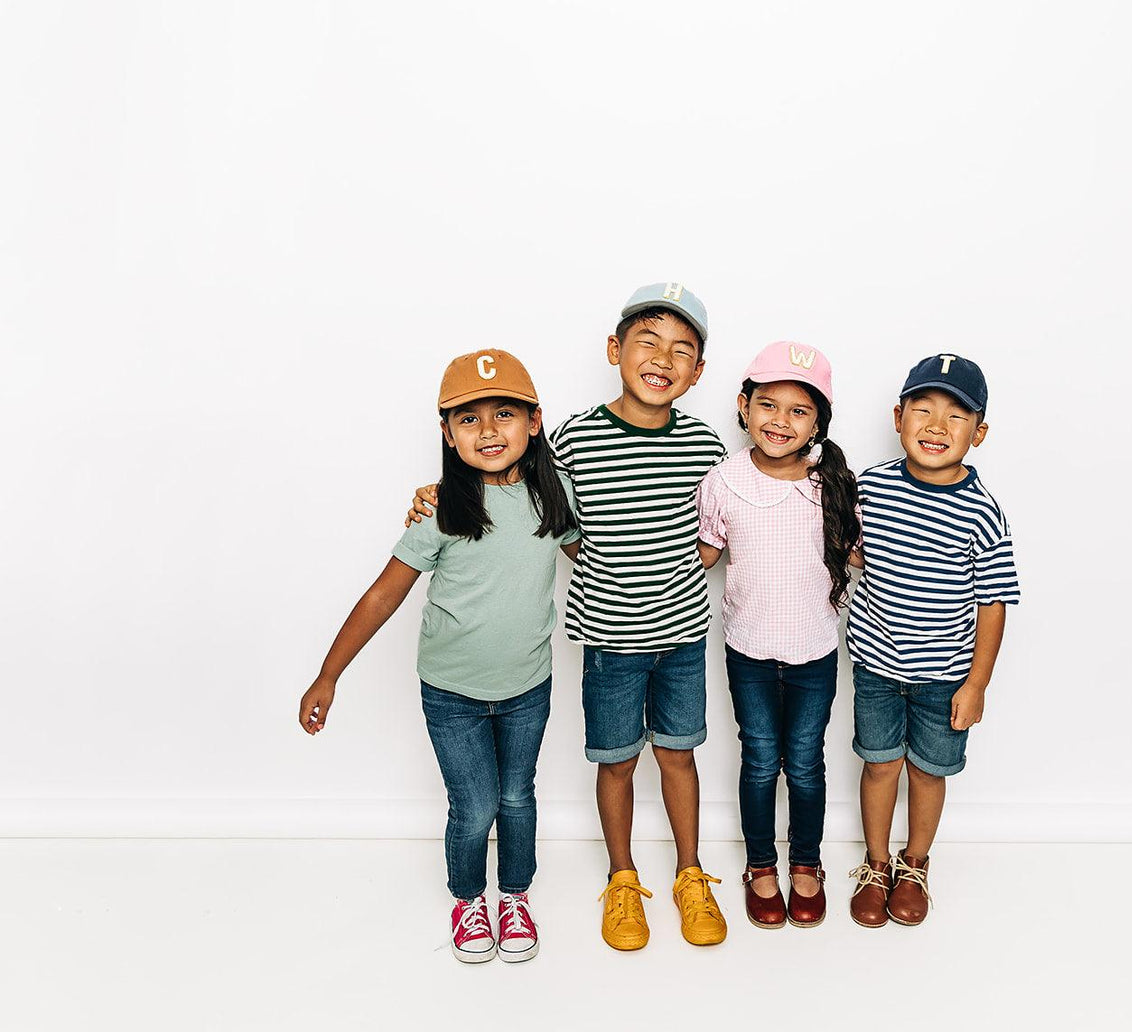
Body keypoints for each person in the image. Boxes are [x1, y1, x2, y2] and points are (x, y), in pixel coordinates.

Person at [409, 283, 730, 950]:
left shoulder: (703, 445)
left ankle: (690, 873)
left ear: (697, 372)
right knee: (614, 762)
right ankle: (621, 880)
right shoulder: (573, 439)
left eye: (681, 350)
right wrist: (435, 494)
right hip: (610, 641)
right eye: (646, 341)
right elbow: (524, 496)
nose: (661, 359)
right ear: (615, 349)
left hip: (681, 639)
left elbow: (715, 532)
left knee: (678, 755)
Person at [298, 349, 580, 965]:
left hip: (528, 686)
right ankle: (468, 898)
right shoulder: (441, 512)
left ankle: (515, 894)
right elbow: (382, 595)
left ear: (534, 423)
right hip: (452, 693)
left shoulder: (551, 498)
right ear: (448, 436)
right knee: (475, 804)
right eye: (468, 419)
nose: (487, 431)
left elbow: (598, 547)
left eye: (503, 414)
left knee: (517, 796)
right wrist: (328, 673)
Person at [844, 353, 1021, 928]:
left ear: (980, 432)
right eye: (923, 410)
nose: (937, 426)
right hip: (875, 665)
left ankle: (914, 862)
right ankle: (875, 864)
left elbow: (993, 605)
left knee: (928, 772)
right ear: (898, 417)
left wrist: (977, 684)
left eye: (956, 415)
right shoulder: (869, 485)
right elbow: (850, 546)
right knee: (880, 767)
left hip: (945, 675)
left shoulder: (982, 510)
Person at [695, 341, 860, 929]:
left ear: (818, 422)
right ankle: (761, 865)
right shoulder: (721, 481)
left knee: (806, 763)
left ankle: (807, 864)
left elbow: (858, 558)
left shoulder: (832, 486)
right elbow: (706, 553)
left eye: (799, 411)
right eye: (768, 405)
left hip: (815, 650)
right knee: (761, 759)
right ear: (743, 407)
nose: (780, 422)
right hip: (748, 651)